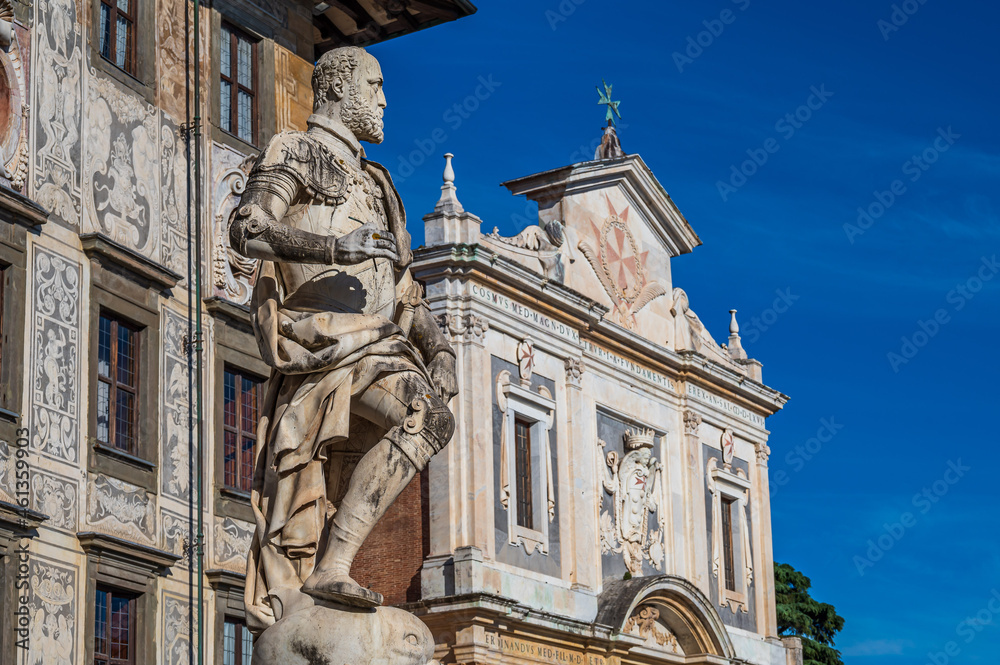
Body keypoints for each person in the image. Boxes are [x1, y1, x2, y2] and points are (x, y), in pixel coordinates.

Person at [229, 45, 459, 631]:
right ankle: (327, 565)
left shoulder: (379, 185)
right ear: (337, 88)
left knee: (431, 418)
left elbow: (406, 293)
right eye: (375, 85)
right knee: (419, 416)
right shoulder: (298, 151)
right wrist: (334, 249)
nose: (385, 99)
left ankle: (335, 563)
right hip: (320, 339)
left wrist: (442, 349)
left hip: (380, 342)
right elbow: (247, 227)